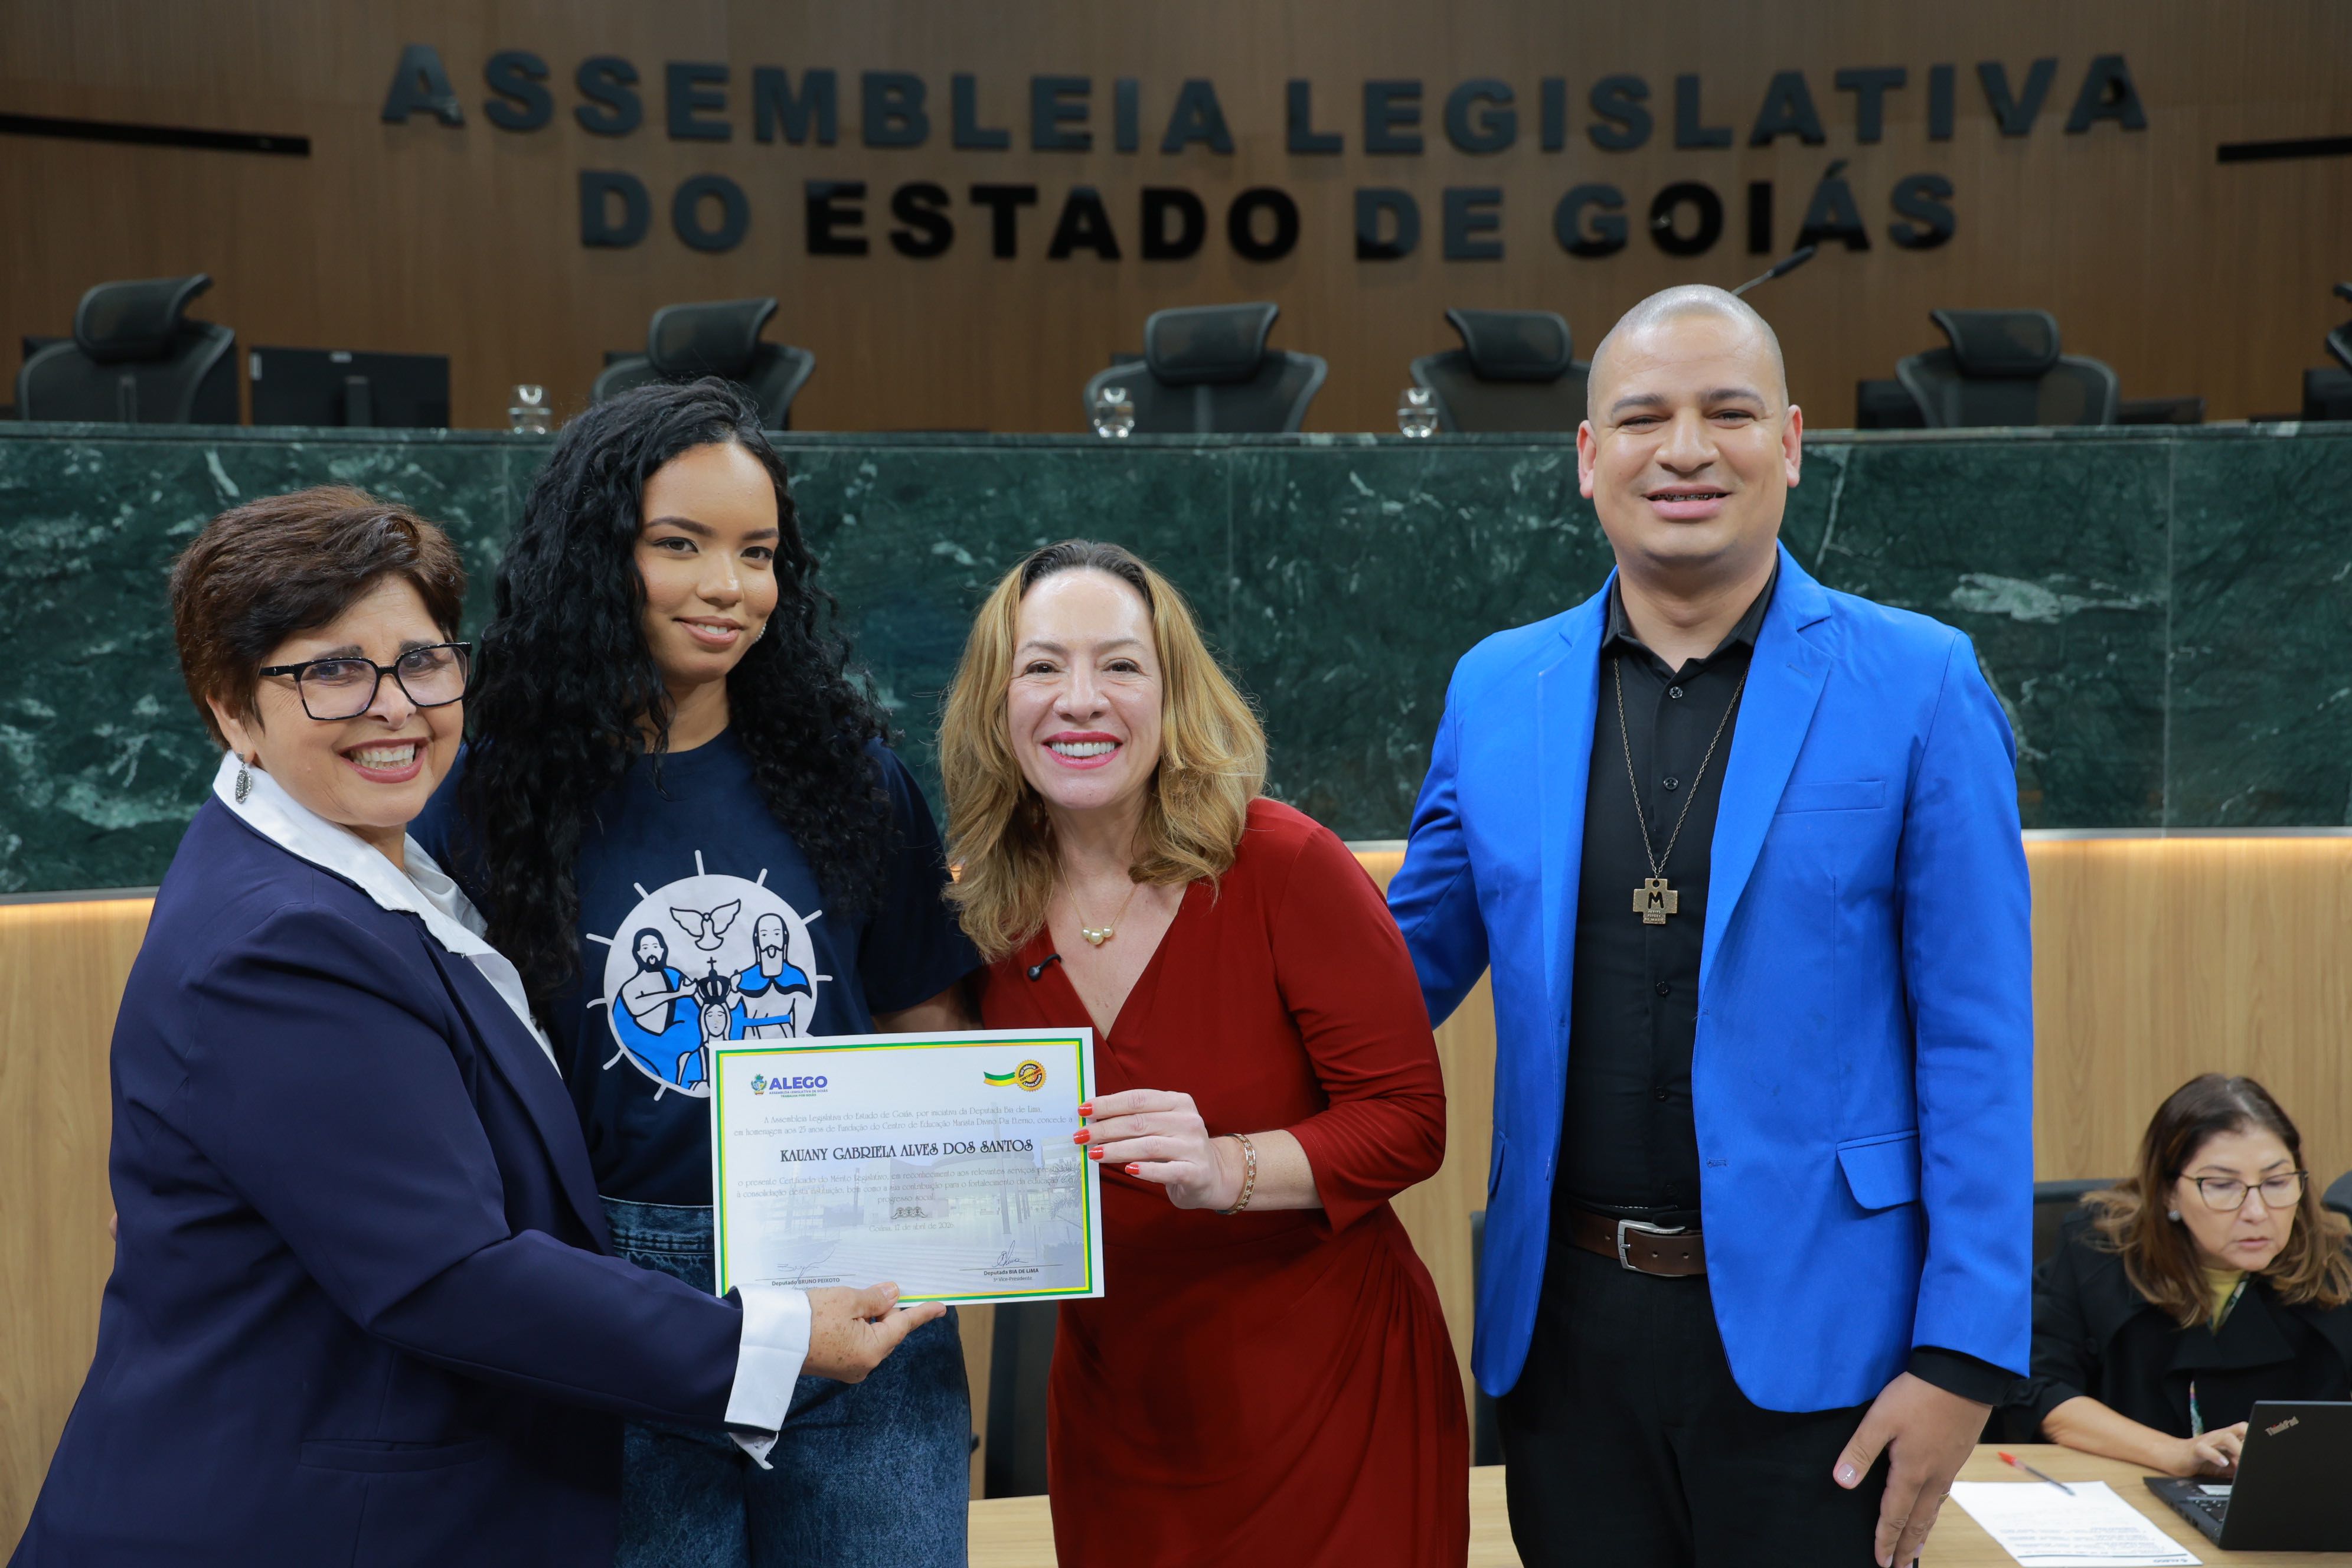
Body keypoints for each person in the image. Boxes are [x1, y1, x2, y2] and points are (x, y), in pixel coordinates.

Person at [8, 489, 937, 1568]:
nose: (394, 707)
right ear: (230, 707)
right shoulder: (283, 942)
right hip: (287, 1519)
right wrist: (775, 1340)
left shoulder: (365, 873)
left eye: (421, 661)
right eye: (332, 671)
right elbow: (446, 1275)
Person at [1387, 286, 2034, 1568]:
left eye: (1727, 413)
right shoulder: (1496, 687)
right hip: (1563, 1341)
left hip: (1833, 1348)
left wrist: (1962, 1358)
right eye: (1642, 418)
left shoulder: (1919, 682)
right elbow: (1391, 973)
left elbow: (1978, 1040)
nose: (1683, 450)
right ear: (1588, 457)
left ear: (1788, 443)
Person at [410, 378, 979, 1568]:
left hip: (850, 1273)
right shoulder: (481, 791)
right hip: (608, 1291)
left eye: (757, 553)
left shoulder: (851, 773)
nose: (730, 586)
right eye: (680, 544)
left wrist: (942, 1214)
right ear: (593, 556)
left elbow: (919, 1010)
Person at [939, 540, 1469, 1566]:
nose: (1080, 700)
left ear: (1173, 693)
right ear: (994, 704)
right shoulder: (976, 911)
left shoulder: (1285, 865)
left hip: (1330, 1405)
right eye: (1042, 666)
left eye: (1120, 665)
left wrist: (1230, 1166)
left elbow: (1409, 1123)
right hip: (1119, 1417)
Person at [2017, 1074, 2352, 1474]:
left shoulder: (2340, 1270)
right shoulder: (2096, 1253)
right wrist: (2173, 1453)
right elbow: (2038, 1388)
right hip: (2122, 1488)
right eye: (2223, 1185)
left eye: (2277, 1182)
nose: (2257, 1212)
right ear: (2168, 1192)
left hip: (2289, 1498)